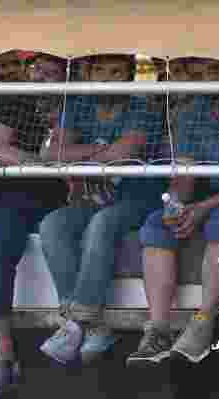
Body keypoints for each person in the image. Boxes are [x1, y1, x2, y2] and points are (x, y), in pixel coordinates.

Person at [36, 53, 164, 366]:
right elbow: (53, 154)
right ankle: (88, 326)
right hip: (93, 200)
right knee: (53, 224)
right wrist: (96, 153)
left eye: (117, 71)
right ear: (89, 73)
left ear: (130, 75)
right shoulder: (78, 104)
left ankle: (78, 321)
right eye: (101, 70)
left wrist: (80, 159)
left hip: (139, 199)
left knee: (103, 223)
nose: (108, 77)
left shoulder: (141, 106)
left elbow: (123, 153)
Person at [127, 59, 219, 365]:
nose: (212, 77)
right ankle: (158, 330)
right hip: (208, 194)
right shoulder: (194, 110)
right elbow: (185, 175)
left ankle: (204, 322)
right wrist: (175, 205)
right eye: (207, 70)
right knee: (156, 224)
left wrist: (203, 208)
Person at [0, 52, 69, 398]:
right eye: (36, 70)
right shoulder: (16, 99)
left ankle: (73, 327)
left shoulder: (75, 102)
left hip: (68, 197)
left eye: (50, 72)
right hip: (17, 192)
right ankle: (4, 347)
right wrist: (42, 165)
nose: (40, 78)